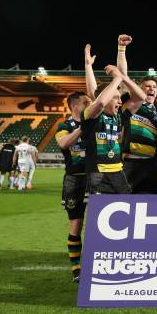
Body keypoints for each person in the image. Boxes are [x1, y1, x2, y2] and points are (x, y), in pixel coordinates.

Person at [81, 65, 144, 195]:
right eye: (116, 97)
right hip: (98, 174)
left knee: (125, 213)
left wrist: (124, 78)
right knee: (99, 214)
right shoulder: (90, 115)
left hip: (118, 172)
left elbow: (141, 98)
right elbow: (100, 103)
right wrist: (116, 79)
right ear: (107, 96)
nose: (120, 101)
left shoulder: (119, 116)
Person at [116, 34, 157, 194]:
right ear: (140, 88)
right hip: (131, 163)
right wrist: (122, 49)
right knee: (125, 204)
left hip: (153, 165)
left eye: (154, 87)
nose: (151, 89)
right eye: (147, 86)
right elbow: (123, 77)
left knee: (156, 205)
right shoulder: (133, 104)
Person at [56, 91, 90, 282]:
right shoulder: (65, 125)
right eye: (87, 102)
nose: (91, 104)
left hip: (95, 179)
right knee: (76, 224)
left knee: (95, 224)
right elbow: (63, 143)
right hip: (74, 180)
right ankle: (76, 269)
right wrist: (81, 128)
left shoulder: (94, 121)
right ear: (76, 106)